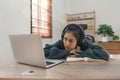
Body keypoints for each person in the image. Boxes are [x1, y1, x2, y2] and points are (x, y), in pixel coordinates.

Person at [44, 24, 110, 61]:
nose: (66, 43)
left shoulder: (84, 42)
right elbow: (44, 51)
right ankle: (80, 26)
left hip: (88, 38)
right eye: (65, 39)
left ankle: (82, 27)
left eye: (71, 40)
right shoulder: (61, 42)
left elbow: (105, 55)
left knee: (89, 38)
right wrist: (67, 52)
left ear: (78, 41)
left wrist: (81, 53)